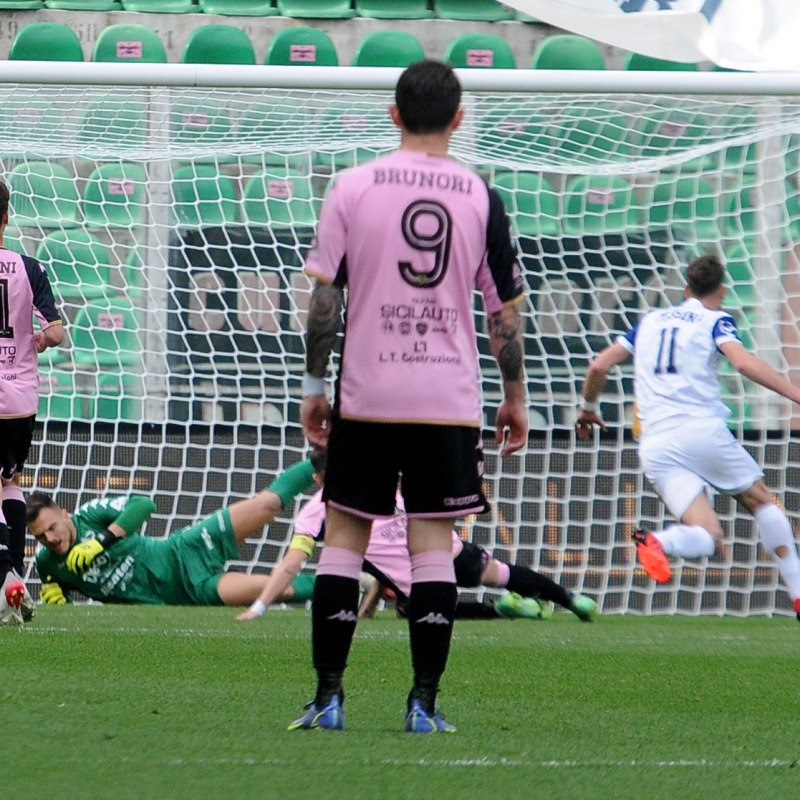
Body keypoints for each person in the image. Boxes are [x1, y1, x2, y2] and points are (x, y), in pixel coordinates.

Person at [294, 60, 528, 733]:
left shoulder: (352, 186)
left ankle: (329, 698)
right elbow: (504, 312)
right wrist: (516, 395)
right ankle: (423, 706)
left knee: (342, 539)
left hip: (367, 393)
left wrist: (315, 388)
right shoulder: (481, 193)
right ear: (459, 118)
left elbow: (323, 301)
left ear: (393, 115)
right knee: (433, 545)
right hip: (446, 398)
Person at [576, 254, 800, 617]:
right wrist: (795, 394)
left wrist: (587, 408)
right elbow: (742, 363)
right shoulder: (716, 320)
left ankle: (657, 541)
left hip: (655, 443)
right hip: (699, 430)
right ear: (722, 290)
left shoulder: (649, 321)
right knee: (761, 502)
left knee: (707, 535)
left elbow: (599, 364)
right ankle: (799, 593)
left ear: (685, 288)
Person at [237, 451, 595, 624]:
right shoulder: (380, 485)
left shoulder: (317, 510)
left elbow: (292, 563)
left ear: (317, 480)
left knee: (418, 612)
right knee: (502, 573)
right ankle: (570, 598)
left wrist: (259, 606)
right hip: (448, 549)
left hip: (416, 579)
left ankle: (502, 610)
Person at [27, 460, 316, 608]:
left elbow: (144, 504)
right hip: (185, 596)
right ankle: (347, 586)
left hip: (181, 553)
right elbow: (59, 599)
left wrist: (104, 540)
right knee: (273, 590)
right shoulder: (47, 564)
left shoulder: (91, 515)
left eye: (52, 527)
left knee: (266, 505)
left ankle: (326, 456)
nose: (50, 539)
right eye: (41, 537)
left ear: (64, 514)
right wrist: (59, 604)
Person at [0, 179, 64, 627]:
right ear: (6, 217)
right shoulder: (28, 266)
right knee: (10, 481)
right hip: (20, 399)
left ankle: (6, 579)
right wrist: (38, 339)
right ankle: (16, 580)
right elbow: (57, 332)